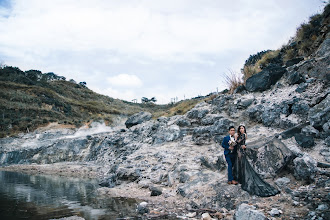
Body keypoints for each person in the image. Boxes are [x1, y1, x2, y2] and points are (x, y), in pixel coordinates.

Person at [233, 125, 279, 197]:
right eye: (240, 128)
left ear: (244, 129)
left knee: (242, 163)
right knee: (239, 163)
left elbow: (238, 142)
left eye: (243, 128)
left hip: (241, 151)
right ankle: (240, 178)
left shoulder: (244, 135)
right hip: (239, 150)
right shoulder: (240, 135)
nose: (241, 129)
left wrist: (235, 138)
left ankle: (243, 179)